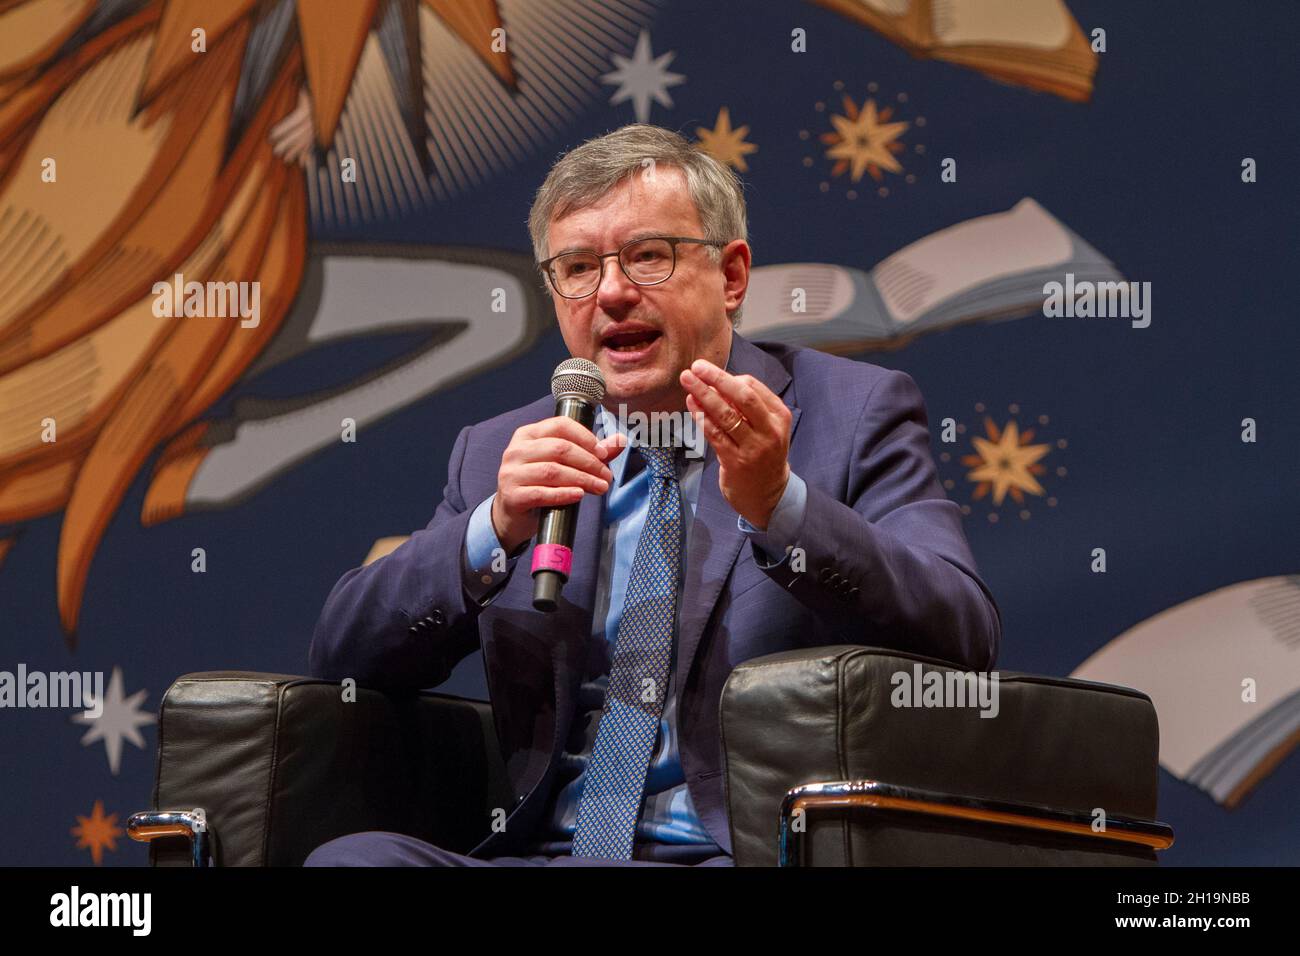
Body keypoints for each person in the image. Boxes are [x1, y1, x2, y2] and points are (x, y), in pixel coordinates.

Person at [305, 124, 1001, 867]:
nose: (610, 293)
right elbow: (341, 660)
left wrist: (782, 506)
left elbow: (963, 634)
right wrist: (493, 528)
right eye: (576, 267)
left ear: (732, 277)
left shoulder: (851, 414)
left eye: (647, 257)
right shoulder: (501, 454)